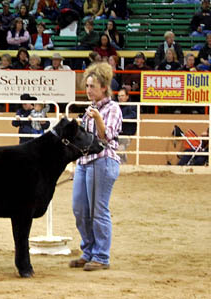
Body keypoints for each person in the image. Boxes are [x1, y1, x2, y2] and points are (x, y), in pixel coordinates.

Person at [69, 62, 122, 272]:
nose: (88, 90)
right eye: (87, 86)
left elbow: (106, 137)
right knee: (80, 209)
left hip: (103, 161)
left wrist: (98, 118)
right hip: (84, 162)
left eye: (92, 86)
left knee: (98, 210)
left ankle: (101, 255)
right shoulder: (90, 109)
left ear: (104, 87)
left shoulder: (112, 109)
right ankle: (88, 251)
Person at [116, 87, 135, 164]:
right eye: (119, 96)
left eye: (122, 95)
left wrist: (121, 119)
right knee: (119, 150)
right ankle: (123, 165)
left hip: (126, 133)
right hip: (117, 133)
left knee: (120, 149)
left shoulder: (132, 106)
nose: (120, 98)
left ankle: (122, 165)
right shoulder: (116, 106)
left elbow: (133, 116)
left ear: (127, 96)